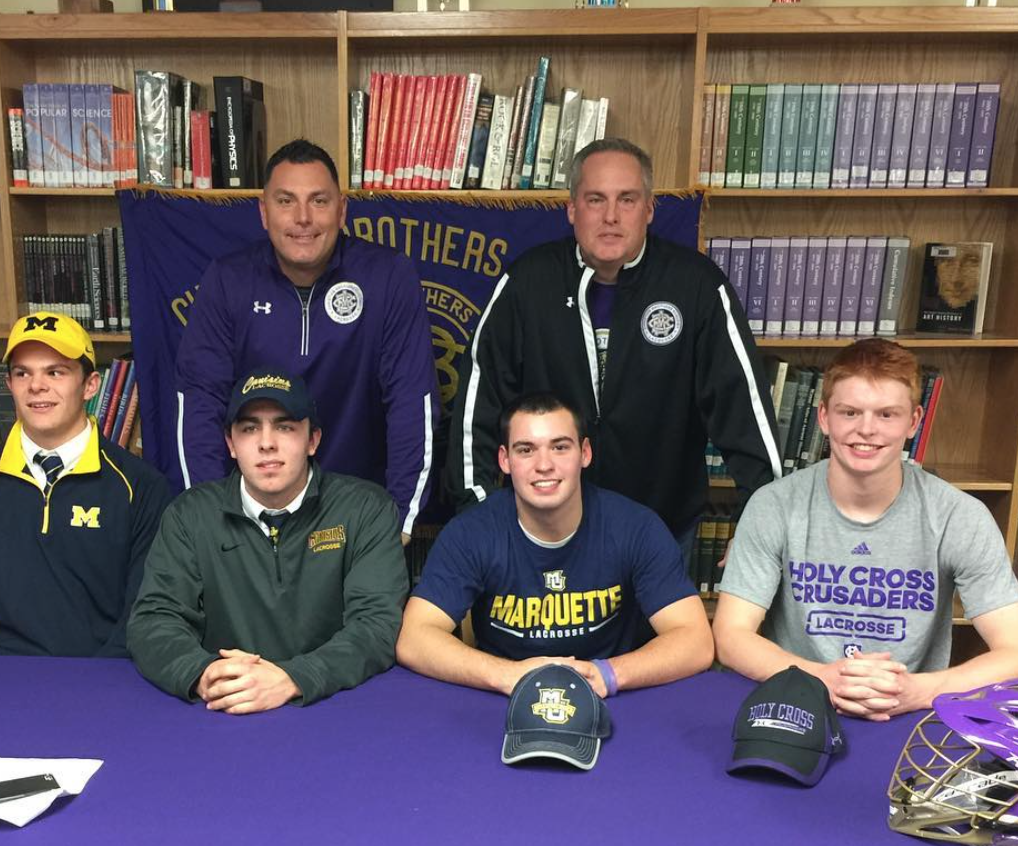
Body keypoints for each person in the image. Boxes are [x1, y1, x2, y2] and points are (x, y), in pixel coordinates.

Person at [445, 136, 781, 558]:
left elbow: (744, 406)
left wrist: (760, 520)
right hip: (543, 528)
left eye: (626, 199)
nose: (610, 216)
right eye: (594, 200)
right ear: (571, 210)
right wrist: (475, 513)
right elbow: (478, 402)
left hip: (661, 527)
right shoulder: (527, 283)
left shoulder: (695, 285)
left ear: (649, 209)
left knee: (670, 629)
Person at [713, 337, 1018, 720]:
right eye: (850, 412)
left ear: (914, 422)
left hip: (907, 712)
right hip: (796, 703)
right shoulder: (773, 506)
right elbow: (730, 636)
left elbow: (1013, 651)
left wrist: (919, 691)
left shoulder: (960, 517)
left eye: (887, 414)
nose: (867, 430)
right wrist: (822, 679)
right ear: (824, 417)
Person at [174, 139, 439, 537]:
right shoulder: (228, 280)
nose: (303, 218)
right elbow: (198, 402)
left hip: (359, 515)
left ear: (342, 210)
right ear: (264, 213)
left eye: (318, 201)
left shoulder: (387, 277)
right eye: (285, 201)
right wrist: (211, 521)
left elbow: (412, 403)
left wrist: (400, 521)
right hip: (251, 516)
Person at [396, 392, 713, 696]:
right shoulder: (471, 533)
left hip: (611, 699)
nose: (544, 465)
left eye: (560, 447)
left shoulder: (636, 527)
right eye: (525, 450)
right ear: (504, 460)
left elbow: (695, 640)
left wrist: (609, 673)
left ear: (584, 453)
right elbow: (415, 637)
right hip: (502, 700)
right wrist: (506, 674)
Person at [128, 369, 408, 712]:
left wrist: (293, 678)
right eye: (249, 428)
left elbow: (377, 626)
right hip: (226, 707)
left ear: (313, 440)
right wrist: (204, 674)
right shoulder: (189, 514)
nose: (266, 443)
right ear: (230, 444)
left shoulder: (365, 509)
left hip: (335, 707)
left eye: (285, 426)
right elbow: (154, 620)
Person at [0, 312, 171, 656]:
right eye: (23, 373)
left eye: (55, 372)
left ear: (90, 384)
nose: (37, 386)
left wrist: (99, 690)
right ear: (9, 386)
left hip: (99, 684)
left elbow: (145, 614)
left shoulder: (141, 488)